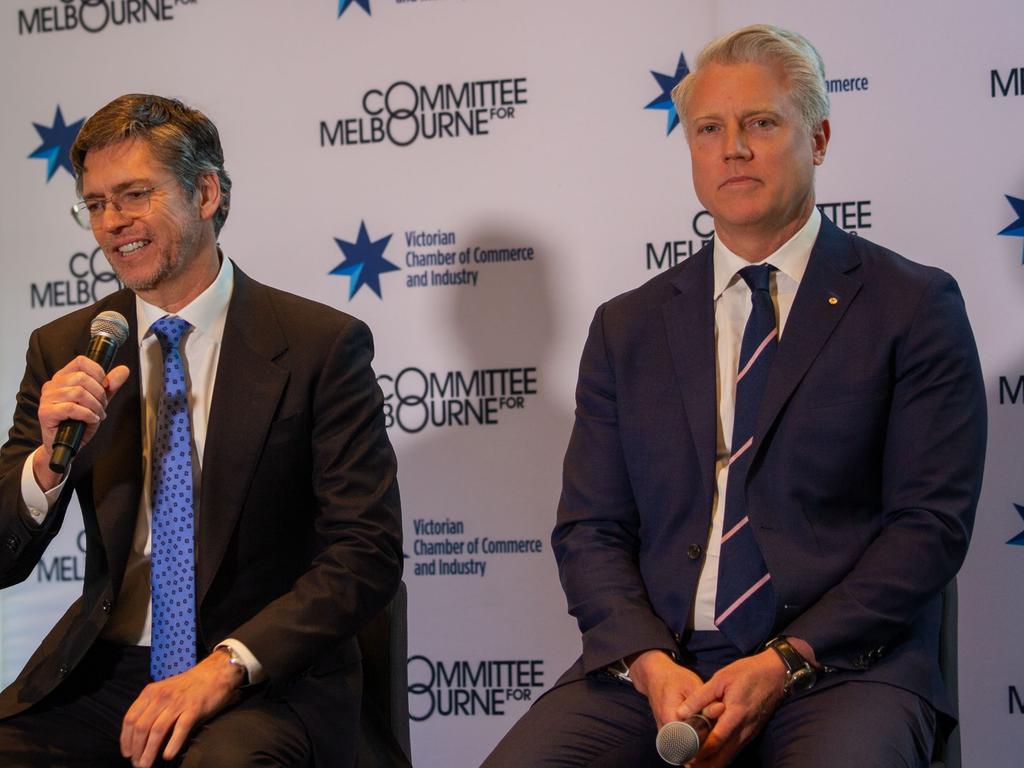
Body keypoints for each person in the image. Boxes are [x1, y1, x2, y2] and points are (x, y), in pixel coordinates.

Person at [483, 24, 986, 768]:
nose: (734, 149)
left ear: (817, 138)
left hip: (844, 668)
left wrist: (785, 660)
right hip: (660, 671)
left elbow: (929, 528)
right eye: (709, 129)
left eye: (761, 123)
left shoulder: (911, 306)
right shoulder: (628, 327)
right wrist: (650, 663)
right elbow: (590, 530)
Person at [0, 94, 405, 768]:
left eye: (134, 195)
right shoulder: (69, 345)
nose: (112, 224)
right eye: (95, 204)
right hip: (106, 669)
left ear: (206, 191)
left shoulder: (317, 346)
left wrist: (227, 666)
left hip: (263, 675)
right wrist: (44, 464)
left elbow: (366, 552)